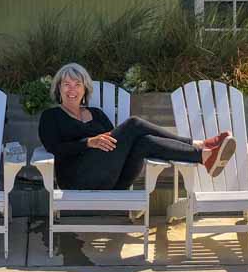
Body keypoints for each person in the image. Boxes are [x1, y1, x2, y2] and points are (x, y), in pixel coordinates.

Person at [38, 63, 237, 190]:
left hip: (113, 179)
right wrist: (89, 143)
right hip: (77, 181)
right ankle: (201, 148)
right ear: (58, 89)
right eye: (66, 84)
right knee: (133, 124)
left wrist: (105, 142)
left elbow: (117, 144)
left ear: (85, 89)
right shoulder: (51, 116)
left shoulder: (97, 114)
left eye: (77, 84)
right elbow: (54, 148)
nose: (72, 89)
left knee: (143, 142)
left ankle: (203, 154)